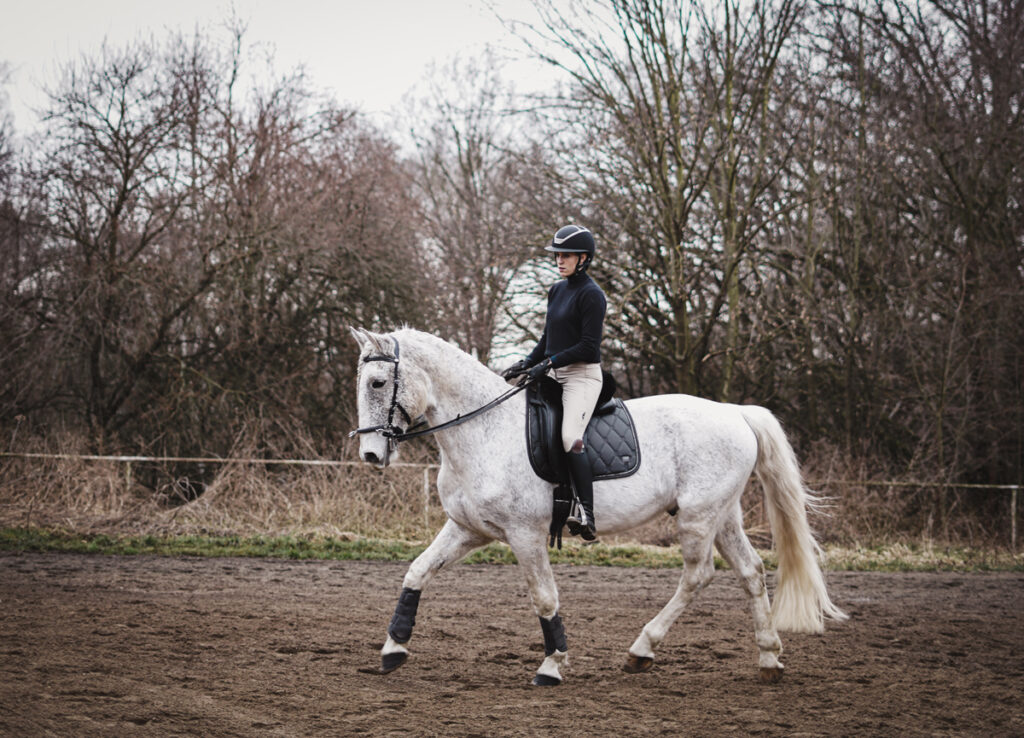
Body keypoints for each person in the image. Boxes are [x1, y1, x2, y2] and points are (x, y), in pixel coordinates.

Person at [502, 224, 607, 540]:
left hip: (581, 377)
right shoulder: (557, 290)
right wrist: (528, 361)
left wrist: (548, 363)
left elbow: (588, 346)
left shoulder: (592, 295)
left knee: (569, 437)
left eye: (566, 255)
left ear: (584, 259)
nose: (559, 260)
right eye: (557, 255)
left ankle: (586, 515)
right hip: (553, 372)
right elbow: (549, 338)